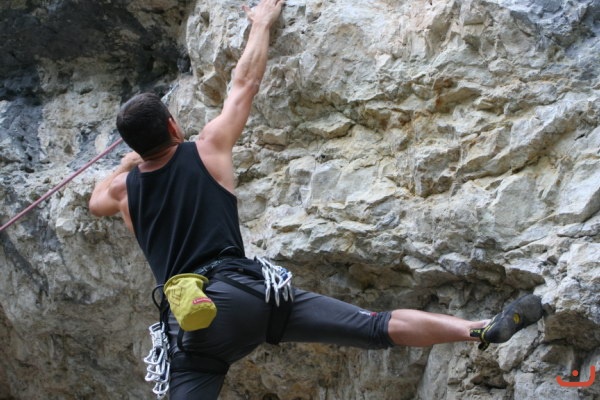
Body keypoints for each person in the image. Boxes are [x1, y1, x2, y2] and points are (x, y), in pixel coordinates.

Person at [89, 0, 543, 398]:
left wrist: (127, 164)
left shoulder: (122, 191)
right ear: (173, 126)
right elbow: (244, 84)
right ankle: (477, 328)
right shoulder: (206, 149)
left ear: (136, 146)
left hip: (194, 323)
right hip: (248, 293)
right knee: (373, 326)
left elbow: (95, 201)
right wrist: (261, 23)